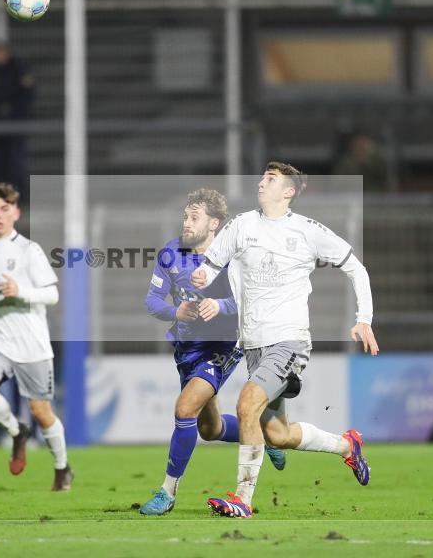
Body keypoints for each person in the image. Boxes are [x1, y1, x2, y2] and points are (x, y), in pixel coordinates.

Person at [193, 161, 379, 519]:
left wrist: (364, 319)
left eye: (271, 179)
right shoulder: (241, 225)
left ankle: (243, 501)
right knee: (277, 434)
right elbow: (212, 264)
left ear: (288, 192)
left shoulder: (307, 230)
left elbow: (356, 267)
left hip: (289, 341)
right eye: (263, 177)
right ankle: (347, 446)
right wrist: (202, 274)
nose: (262, 183)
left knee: (246, 406)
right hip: (253, 344)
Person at [139, 188, 286, 516]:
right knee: (209, 428)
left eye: (195, 218)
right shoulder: (171, 252)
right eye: (185, 216)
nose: (187, 223)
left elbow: (250, 301)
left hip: (221, 346)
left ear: (214, 224)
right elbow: (151, 300)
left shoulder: (232, 258)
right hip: (186, 349)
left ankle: (167, 492)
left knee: (184, 408)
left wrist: (218, 306)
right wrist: (175, 313)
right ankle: (263, 433)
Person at [0, 182, 73, 491]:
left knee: (42, 411)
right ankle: (17, 431)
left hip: (31, 342)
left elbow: (52, 295)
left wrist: (19, 291)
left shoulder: (29, 250)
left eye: (4, 209)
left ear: (16, 213)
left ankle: (62, 467)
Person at [0, 44, 34, 199]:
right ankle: (1, 197)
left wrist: (13, 112)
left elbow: (27, 95)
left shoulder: (18, 71)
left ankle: (19, 197)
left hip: (14, 127)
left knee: (15, 164)